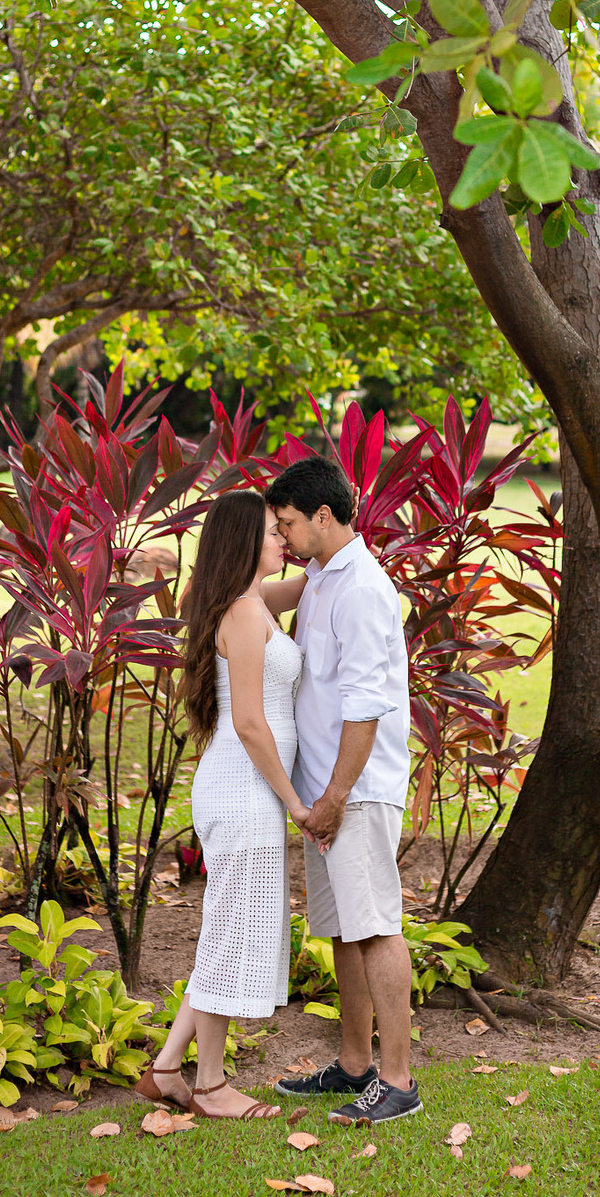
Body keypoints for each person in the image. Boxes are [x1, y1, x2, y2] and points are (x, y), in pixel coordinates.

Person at [138, 489, 310, 1121]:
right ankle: (210, 1086)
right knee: (231, 935)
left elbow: (306, 587)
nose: (282, 541)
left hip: (242, 791)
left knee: (224, 931)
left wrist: (339, 562)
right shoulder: (240, 612)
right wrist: (295, 803)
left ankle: (165, 1070)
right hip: (245, 792)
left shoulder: (247, 602)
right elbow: (249, 723)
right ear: (243, 542)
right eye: (271, 532)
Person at [266, 455, 420, 1126]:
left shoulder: (361, 590)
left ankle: (398, 1081)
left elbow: (365, 706)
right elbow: (253, 598)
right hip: (325, 790)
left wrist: (333, 796)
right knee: (341, 931)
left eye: (289, 523)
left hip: (354, 789)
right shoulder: (324, 576)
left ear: (323, 517)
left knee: (377, 925)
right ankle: (355, 1063)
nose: (284, 536)